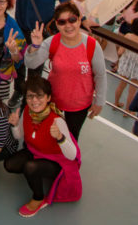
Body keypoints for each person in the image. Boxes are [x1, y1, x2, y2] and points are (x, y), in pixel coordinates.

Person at [26, 1, 106, 139]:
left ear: (80, 20)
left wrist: (99, 101)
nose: (68, 26)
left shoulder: (91, 45)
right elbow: (31, 63)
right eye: (62, 22)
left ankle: (68, 161)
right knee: (48, 136)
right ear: (57, 24)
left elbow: (100, 75)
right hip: (53, 102)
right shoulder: (52, 42)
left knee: (71, 138)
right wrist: (35, 46)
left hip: (80, 105)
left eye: (72, 20)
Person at [4, 76, 81, 218]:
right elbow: (19, 135)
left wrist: (60, 138)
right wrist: (14, 125)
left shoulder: (57, 121)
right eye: (30, 96)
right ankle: (36, 174)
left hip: (57, 162)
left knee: (30, 167)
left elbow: (72, 155)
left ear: (48, 98)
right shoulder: (27, 110)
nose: (34, 101)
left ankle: (38, 198)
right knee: (9, 165)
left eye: (39, 96)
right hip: (36, 152)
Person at [8, 0, 70, 106]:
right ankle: (19, 90)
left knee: (36, 68)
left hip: (42, 34)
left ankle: (30, 96)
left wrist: (79, 20)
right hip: (21, 31)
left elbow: (66, 1)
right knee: (19, 64)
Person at [114, 18, 138, 116]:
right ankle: (127, 111)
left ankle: (115, 104)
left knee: (121, 85)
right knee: (132, 90)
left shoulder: (128, 36)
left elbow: (120, 51)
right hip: (137, 65)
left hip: (126, 63)